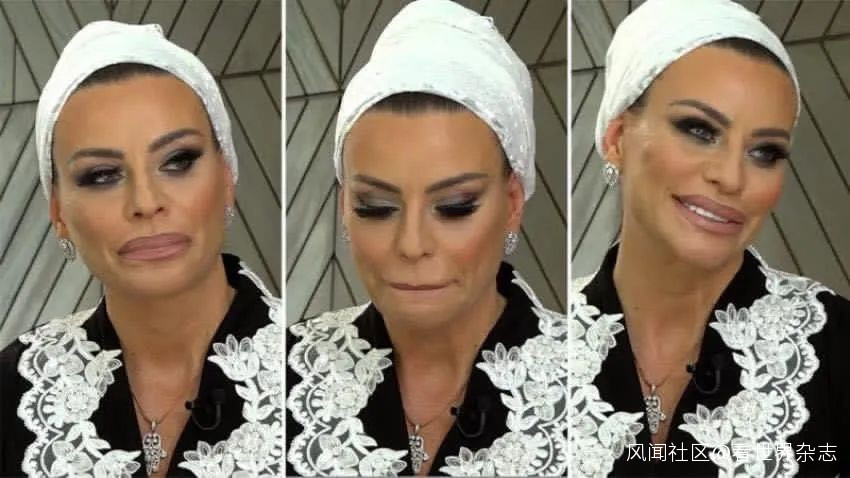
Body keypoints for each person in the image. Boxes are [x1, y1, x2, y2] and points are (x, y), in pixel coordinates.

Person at [285, 0, 566, 476]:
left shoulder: (594, 377)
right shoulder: (278, 374)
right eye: (376, 207)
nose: (412, 245)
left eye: (454, 207)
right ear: (344, 206)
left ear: (513, 202)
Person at [571, 0, 850, 476]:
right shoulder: (532, 355)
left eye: (765, 152)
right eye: (699, 129)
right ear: (617, 138)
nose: (732, 177)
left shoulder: (837, 347)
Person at [0, 21, 282, 477]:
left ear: (227, 176)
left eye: (177, 161)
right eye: (101, 175)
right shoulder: (12, 389)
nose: (146, 203)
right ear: (59, 212)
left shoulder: (328, 379)